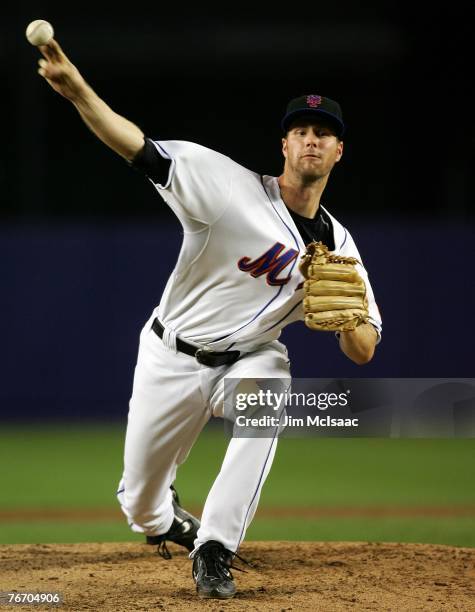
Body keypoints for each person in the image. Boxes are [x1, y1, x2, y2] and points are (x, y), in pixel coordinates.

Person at [37, 39, 382, 600]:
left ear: (339, 151)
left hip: (250, 358)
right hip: (169, 355)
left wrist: (346, 319)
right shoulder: (228, 188)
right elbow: (138, 148)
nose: (311, 139)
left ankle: (215, 549)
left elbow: (364, 349)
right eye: (301, 131)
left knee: (270, 393)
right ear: (285, 145)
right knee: (140, 504)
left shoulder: (342, 249)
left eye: (323, 133)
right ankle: (166, 520)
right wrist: (78, 92)